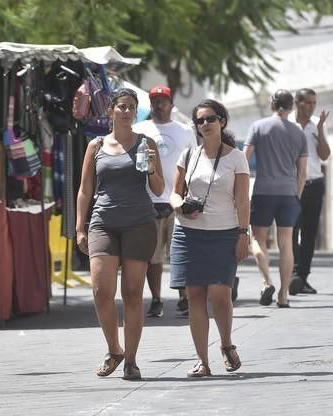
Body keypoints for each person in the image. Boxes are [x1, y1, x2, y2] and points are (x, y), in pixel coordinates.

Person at [76, 88, 165, 380]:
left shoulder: (146, 143)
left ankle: (131, 360)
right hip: (103, 222)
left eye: (131, 107)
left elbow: (159, 189)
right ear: (111, 110)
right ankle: (115, 349)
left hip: (139, 223)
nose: (126, 112)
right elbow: (85, 189)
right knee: (101, 292)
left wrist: (151, 167)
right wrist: (80, 227)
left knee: (132, 293)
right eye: (122, 106)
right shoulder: (96, 145)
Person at [169, 99, 250, 377]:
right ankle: (202, 361)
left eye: (210, 118)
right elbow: (174, 192)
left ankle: (226, 344)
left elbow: (242, 199)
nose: (205, 124)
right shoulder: (188, 155)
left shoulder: (236, 157)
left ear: (222, 121)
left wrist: (243, 233)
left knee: (220, 296)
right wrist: (178, 206)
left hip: (224, 233)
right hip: (188, 233)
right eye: (200, 120)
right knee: (194, 296)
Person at [133, 85, 197, 318]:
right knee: (153, 257)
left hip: (178, 200)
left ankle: (184, 297)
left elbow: (194, 163)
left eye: (163, 101)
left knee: (181, 252)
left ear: (171, 104)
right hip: (149, 200)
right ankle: (157, 299)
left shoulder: (185, 130)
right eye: (155, 101)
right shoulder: (140, 129)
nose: (159, 105)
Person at [244, 89, 308, 308]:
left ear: (272, 104)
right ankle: (283, 295)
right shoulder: (299, 133)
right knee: (286, 244)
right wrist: (296, 195)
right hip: (289, 193)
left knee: (257, 239)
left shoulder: (258, 127)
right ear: (292, 107)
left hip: (263, 191)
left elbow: (244, 160)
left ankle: (267, 281)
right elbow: (303, 173)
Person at [289, 88, 330, 296]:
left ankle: (302, 277)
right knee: (290, 231)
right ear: (297, 102)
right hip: (293, 185)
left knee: (309, 234)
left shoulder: (317, 126)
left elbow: (324, 156)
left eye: (314, 103)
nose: (312, 106)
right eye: (308, 102)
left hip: (314, 184)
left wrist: (321, 129)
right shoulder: (287, 125)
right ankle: (292, 274)